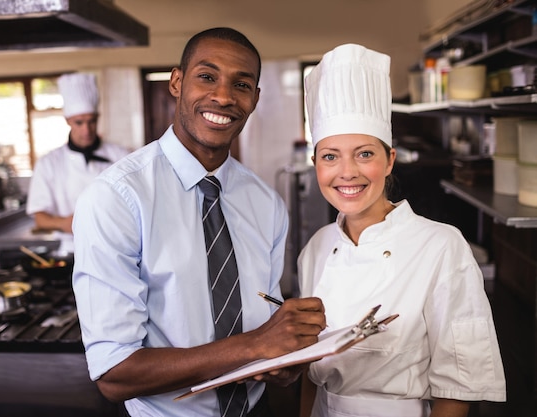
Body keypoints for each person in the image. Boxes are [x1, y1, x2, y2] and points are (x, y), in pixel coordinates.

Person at [71, 27, 327, 417]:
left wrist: (283, 364)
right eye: (206, 77)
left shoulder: (266, 203)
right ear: (177, 82)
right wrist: (256, 345)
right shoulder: (117, 198)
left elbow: (266, 331)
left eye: (241, 84)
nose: (223, 96)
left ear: (254, 99)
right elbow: (114, 374)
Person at [297, 43, 506, 417]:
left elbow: (457, 384)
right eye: (330, 156)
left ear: (389, 159)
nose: (347, 172)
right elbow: (309, 379)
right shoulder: (314, 249)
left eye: (365, 153)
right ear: (316, 164)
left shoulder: (441, 246)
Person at [26, 72, 130, 253]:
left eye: (92, 122)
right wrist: (65, 223)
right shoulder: (49, 163)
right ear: (68, 121)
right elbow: (40, 218)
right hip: (71, 250)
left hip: (117, 249)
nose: (86, 130)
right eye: (79, 122)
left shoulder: (122, 156)